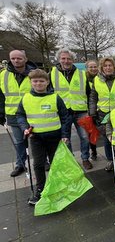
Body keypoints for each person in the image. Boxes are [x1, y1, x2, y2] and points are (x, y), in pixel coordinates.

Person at [16, 69, 71, 205]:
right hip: (36, 138)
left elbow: (65, 117)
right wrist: (24, 128)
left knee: (55, 165)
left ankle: (57, 189)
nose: (38, 84)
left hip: (55, 137)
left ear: (47, 82)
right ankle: (39, 190)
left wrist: (65, 134)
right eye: (35, 81)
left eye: (41, 81)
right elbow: (20, 115)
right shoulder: (26, 98)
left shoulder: (55, 97)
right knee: (38, 164)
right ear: (31, 83)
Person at [50, 49, 93, 170]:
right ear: (59, 59)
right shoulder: (52, 74)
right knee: (65, 138)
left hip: (80, 111)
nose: (66, 61)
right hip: (63, 113)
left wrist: (90, 109)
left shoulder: (81, 73)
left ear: (72, 60)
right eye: (63, 58)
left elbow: (88, 92)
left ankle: (85, 158)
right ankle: (71, 161)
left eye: (68, 58)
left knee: (84, 137)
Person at [0, 50, 37, 177]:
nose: (16, 61)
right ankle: (20, 164)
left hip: (33, 113)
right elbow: (0, 96)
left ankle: (43, 161)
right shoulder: (3, 75)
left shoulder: (34, 74)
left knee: (37, 139)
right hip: (13, 114)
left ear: (25, 59)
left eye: (19, 58)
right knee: (19, 141)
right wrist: (0, 112)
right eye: (13, 58)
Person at [89, 57, 115, 171]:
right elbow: (93, 97)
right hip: (103, 113)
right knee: (107, 138)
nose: (108, 68)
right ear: (102, 67)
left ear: (114, 66)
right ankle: (111, 160)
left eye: (110, 65)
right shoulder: (96, 79)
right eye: (105, 66)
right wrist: (92, 112)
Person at [85, 60, 99, 160]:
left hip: (100, 107)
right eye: (91, 67)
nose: (93, 69)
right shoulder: (84, 79)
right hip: (88, 108)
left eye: (95, 66)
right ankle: (93, 152)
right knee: (91, 132)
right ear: (87, 68)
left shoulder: (100, 78)